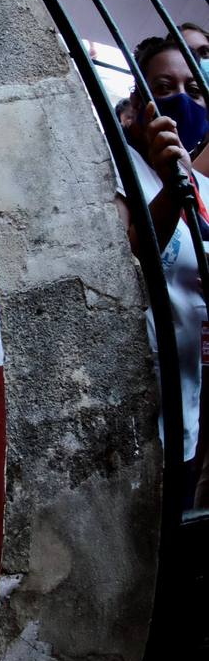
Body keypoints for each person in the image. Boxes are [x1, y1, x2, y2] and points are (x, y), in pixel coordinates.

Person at [119, 36, 208, 507]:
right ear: (139, 102)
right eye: (164, 86)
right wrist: (172, 189)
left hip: (188, 410)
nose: (182, 98)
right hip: (140, 419)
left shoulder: (204, 182)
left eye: (193, 88)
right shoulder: (122, 165)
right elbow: (122, 268)